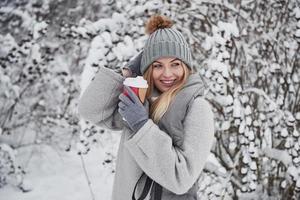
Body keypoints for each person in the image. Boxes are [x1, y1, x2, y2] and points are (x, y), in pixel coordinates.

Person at [78, 15, 215, 200]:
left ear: (186, 67)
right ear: (148, 68)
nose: (167, 74)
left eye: (175, 64)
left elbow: (181, 179)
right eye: (158, 65)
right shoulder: (141, 101)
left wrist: (142, 126)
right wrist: (127, 71)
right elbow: (89, 109)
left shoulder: (198, 109)